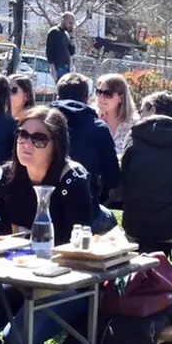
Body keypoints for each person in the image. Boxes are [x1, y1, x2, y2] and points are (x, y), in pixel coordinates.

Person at [0, 106, 93, 344]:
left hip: (63, 283)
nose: (26, 143)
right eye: (22, 134)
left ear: (56, 144)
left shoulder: (72, 179)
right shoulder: (6, 175)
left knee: (17, 339)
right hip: (14, 275)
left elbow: (81, 241)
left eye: (38, 138)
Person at [121, 91, 172, 253]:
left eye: (142, 111)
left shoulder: (134, 136)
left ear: (152, 109)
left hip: (135, 222)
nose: (140, 116)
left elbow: (123, 176)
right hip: (169, 224)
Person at [50, 72, 119, 233]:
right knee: (113, 227)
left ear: (58, 96)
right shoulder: (98, 128)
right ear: (86, 98)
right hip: (85, 211)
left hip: (40, 205)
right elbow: (113, 177)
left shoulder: (41, 123)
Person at [94, 73, 138, 158]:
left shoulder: (134, 124)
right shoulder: (92, 119)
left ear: (121, 98)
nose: (101, 98)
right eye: (99, 92)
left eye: (107, 94)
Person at [45, 12, 76, 81]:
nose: (71, 26)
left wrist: (72, 38)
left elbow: (72, 52)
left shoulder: (65, 34)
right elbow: (49, 51)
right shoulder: (54, 32)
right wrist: (52, 69)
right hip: (58, 67)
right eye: (70, 23)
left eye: (73, 24)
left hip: (66, 67)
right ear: (63, 20)